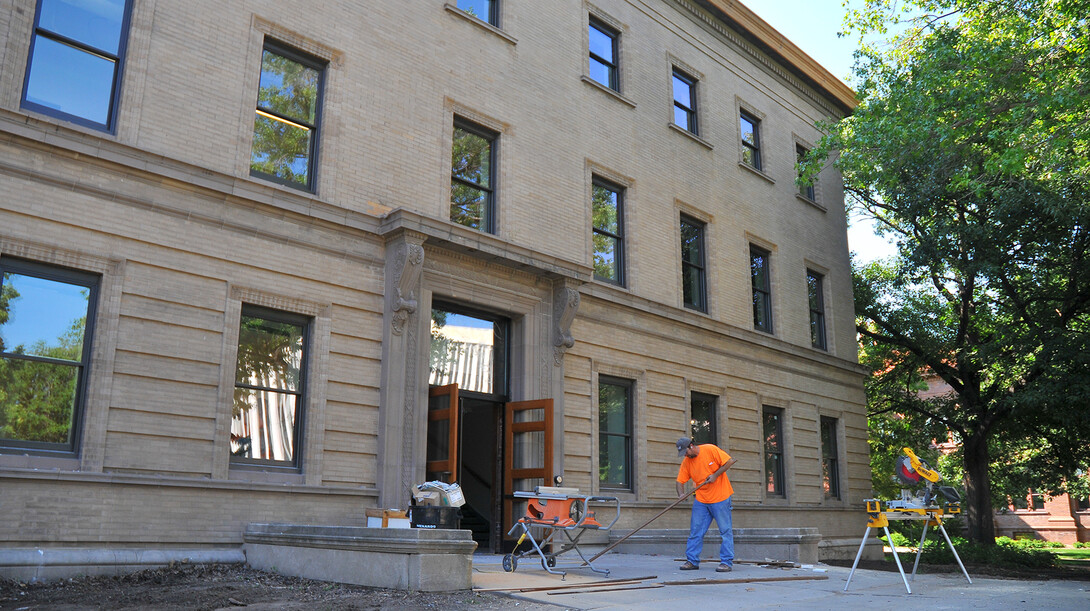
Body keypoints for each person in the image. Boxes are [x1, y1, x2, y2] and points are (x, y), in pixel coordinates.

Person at [675, 436, 737, 572]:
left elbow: (729, 461)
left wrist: (715, 475)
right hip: (701, 500)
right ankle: (692, 561)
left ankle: (726, 562)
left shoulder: (710, 449)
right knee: (696, 531)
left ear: (691, 446)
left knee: (725, 531)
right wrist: (681, 494)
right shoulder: (687, 462)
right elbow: (679, 481)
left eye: (685, 452)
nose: (685, 455)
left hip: (720, 497)